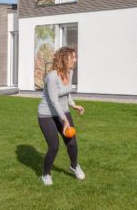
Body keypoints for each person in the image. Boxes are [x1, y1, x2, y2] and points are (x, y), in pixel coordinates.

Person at [37, 46, 85, 186]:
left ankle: (74, 166)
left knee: (72, 143)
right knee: (54, 146)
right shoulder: (52, 76)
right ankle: (45, 174)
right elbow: (53, 100)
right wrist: (64, 120)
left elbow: (65, 93)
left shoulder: (69, 72)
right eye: (73, 57)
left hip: (63, 110)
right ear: (64, 59)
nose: (75, 60)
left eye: (75, 57)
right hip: (46, 114)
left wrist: (74, 105)